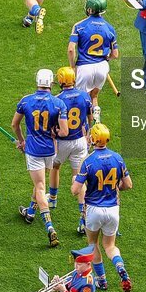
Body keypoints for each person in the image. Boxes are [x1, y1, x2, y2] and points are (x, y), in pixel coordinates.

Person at [72, 123, 134, 292]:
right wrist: (114, 188)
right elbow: (128, 184)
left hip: (93, 209)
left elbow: (75, 190)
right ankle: (120, 267)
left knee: (93, 244)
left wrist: (75, 181)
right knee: (110, 246)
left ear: (93, 139)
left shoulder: (88, 161)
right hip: (113, 209)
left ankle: (102, 280)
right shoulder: (117, 158)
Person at [12, 69, 69, 246]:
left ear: (37, 81)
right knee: (40, 183)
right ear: (51, 83)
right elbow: (64, 131)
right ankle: (30, 212)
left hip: (34, 149)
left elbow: (15, 124)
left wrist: (22, 141)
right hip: (50, 150)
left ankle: (50, 227)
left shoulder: (26, 101)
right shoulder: (59, 103)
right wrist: (54, 132)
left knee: (39, 185)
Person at [52, 66, 93, 234]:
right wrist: (89, 133)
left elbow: (55, 124)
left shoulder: (57, 99)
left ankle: (53, 198)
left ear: (60, 81)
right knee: (79, 177)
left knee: (55, 167)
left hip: (63, 142)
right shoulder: (84, 95)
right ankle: (83, 217)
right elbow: (90, 117)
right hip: (80, 141)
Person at [68, 0, 119, 122]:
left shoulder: (79, 26)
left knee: (79, 100)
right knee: (94, 95)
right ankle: (96, 117)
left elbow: (70, 49)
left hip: (84, 68)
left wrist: (72, 66)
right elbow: (115, 54)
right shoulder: (110, 28)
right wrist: (106, 59)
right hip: (102, 68)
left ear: (90, 10)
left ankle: (83, 129)